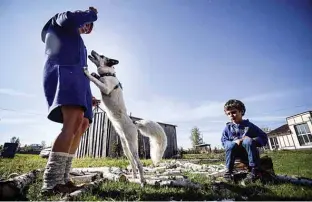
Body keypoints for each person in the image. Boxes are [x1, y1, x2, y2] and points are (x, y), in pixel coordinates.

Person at [40, 7, 98, 195]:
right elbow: (69, 18)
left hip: (79, 80)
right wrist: (91, 14)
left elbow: (83, 69)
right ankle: (51, 183)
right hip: (66, 74)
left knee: (81, 125)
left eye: (90, 26)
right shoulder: (60, 21)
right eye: (86, 25)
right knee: (71, 124)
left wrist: (88, 95)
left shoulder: (78, 42)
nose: (87, 28)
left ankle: (63, 178)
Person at [221, 99, 268, 182]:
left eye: (234, 112)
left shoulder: (249, 126)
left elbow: (264, 137)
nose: (231, 115)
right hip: (235, 155)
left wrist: (252, 139)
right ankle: (228, 172)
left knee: (247, 141)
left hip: (249, 154)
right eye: (228, 114)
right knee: (230, 144)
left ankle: (254, 170)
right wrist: (233, 142)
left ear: (241, 111)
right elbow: (224, 141)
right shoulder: (228, 128)